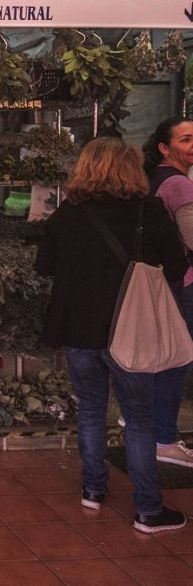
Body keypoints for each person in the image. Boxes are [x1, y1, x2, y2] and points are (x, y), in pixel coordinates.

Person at [36, 137, 188, 534]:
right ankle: (148, 511)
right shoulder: (149, 211)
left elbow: (44, 266)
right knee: (138, 419)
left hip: (79, 329)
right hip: (132, 330)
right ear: (132, 168)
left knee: (90, 409)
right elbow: (175, 266)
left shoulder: (66, 215)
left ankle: (93, 489)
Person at [143, 117, 193, 468]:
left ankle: (144, 425)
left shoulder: (153, 180)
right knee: (178, 359)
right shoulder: (178, 185)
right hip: (183, 282)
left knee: (162, 357)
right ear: (164, 147)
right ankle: (164, 437)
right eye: (186, 140)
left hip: (160, 282)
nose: (192, 146)